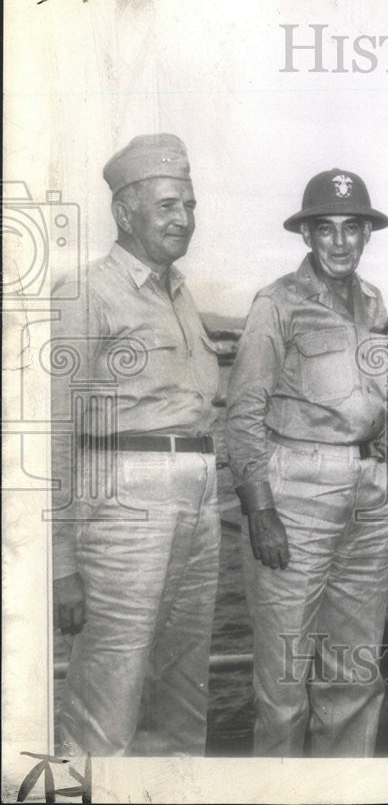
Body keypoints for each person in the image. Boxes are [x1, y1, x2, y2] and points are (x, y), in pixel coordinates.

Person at [51, 134, 221, 756]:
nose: (184, 219)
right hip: (123, 512)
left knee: (182, 691)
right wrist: (61, 562)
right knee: (107, 698)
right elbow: (53, 431)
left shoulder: (182, 295)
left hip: (199, 508)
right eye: (169, 205)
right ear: (125, 213)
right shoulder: (87, 294)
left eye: (190, 205)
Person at [226, 169, 388, 756]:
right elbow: (243, 411)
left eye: (353, 228)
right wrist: (259, 509)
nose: (341, 242)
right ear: (307, 236)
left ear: (367, 235)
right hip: (295, 496)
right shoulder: (277, 303)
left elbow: (368, 399)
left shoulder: (374, 303)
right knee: (283, 683)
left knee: (354, 674)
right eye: (327, 229)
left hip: (369, 495)